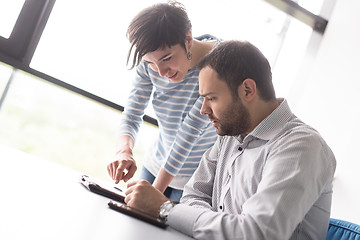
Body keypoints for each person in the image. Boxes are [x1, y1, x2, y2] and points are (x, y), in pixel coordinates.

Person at [123, 40, 337, 239]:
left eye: (212, 98)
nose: (203, 110)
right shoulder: (232, 133)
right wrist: (224, 226)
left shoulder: (302, 147)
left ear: (247, 90)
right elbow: (192, 195)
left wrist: (167, 209)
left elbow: (256, 233)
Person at [107, 1, 220, 201]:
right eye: (151, 63)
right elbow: (132, 114)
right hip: (154, 166)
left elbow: (189, 132)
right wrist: (123, 151)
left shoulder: (220, 64)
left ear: (188, 38)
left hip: (194, 182)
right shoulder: (150, 61)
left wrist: (155, 193)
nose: (160, 72)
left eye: (167, 58)